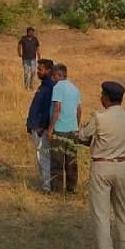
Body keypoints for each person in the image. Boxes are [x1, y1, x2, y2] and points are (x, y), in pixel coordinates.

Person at [78, 81, 125, 249]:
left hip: (101, 166)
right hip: (122, 165)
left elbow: (82, 136)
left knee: (101, 214)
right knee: (123, 211)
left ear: (106, 97)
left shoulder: (99, 117)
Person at [47, 63, 82, 193]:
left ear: (59, 75)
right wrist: (76, 126)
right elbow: (79, 110)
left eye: (53, 75)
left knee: (57, 161)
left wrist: (50, 129)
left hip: (60, 129)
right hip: (72, 130)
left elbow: (57, 109)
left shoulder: (58, 87)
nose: (52, 78)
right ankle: (71, 188)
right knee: (71, 160)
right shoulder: (75, 88)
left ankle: (56, 189)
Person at [25, 59, 56, 192]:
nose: (38, 72)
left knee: (43, 156)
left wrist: (41, 126)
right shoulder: (44, 86)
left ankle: (47, 186)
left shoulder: (49, 87)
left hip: (40, 129)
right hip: (36, 126)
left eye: (40, 69)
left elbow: (47, 109)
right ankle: (46, 183)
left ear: (48, 71)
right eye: (38, 69)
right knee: (41, 156)